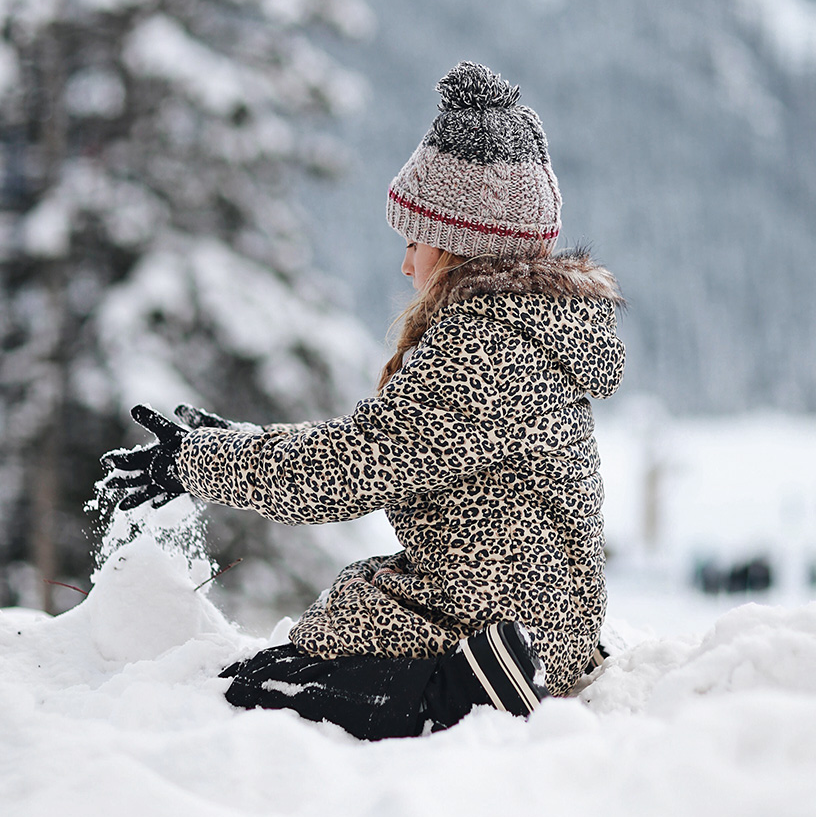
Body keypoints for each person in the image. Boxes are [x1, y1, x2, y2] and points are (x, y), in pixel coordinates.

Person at [101, 62, 625, 740]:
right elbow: (377, 442)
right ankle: (479, 676)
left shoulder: (485, 350)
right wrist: (241, 441)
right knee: (301, 650)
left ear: (462, 244)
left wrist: (200, 463)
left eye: (415, 241)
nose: (407, 264)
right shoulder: (519, 336)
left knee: (263, 686)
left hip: (508, 629)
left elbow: (342, 469)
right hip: (539, 615)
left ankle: (471, 691)